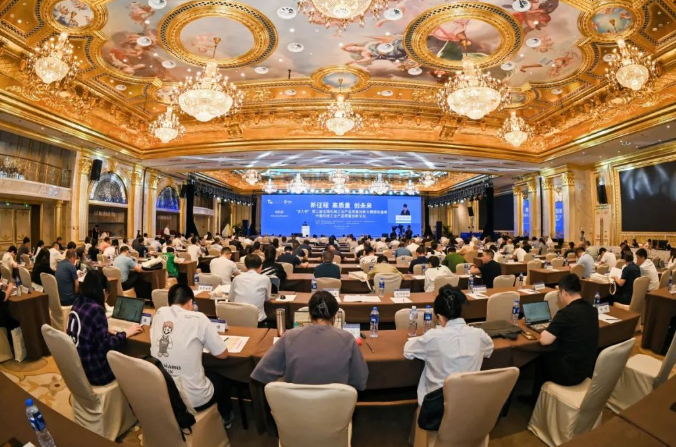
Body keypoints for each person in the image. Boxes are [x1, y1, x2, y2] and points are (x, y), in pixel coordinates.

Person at [150, 284, 233, 427]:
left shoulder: (159, 313)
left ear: (169, 302)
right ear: (190, 302)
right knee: (221, 377)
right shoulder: (199, 318)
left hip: (165, 393)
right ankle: (226, 417)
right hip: (194, 400)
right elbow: (222, 355)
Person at [251, 291, 368, 390]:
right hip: (336, 407)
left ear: (310, 314)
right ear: (336, 315)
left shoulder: (290, 336)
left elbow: (262, 373)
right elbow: (360, 381)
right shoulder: (348, 339)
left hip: (295, 406)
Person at [404, 286, 494, 406]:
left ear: (440, 317)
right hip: (470, 401)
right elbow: (489, 350)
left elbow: (408, 351)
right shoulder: (479, 334)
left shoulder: (433, 336)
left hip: (438, 404)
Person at [524, 274, 599, 402]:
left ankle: (535, 400)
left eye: (559, 293)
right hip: (587, 368)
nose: (559, 296)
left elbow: (544, 341)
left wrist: (547, 329)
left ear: (564, 292)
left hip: (569, 374)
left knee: (543, 358)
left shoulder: (566, 313)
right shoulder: (592, 309)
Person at [67, 270, 141, 386]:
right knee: (132, 363)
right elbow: (105, 347)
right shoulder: (96, 309)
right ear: (103, 291)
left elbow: (85, 329)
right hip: (96, 372)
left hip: (79, 366)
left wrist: (104, 330)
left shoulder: (78, 302)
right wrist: (126, 333)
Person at [229, 254, 271, 326]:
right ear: (261, 266)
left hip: (237, 320)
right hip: (257, 321)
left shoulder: (237, 278)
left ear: (245, 266)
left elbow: (231, 298)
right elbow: (267, 298)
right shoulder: (265, 279)